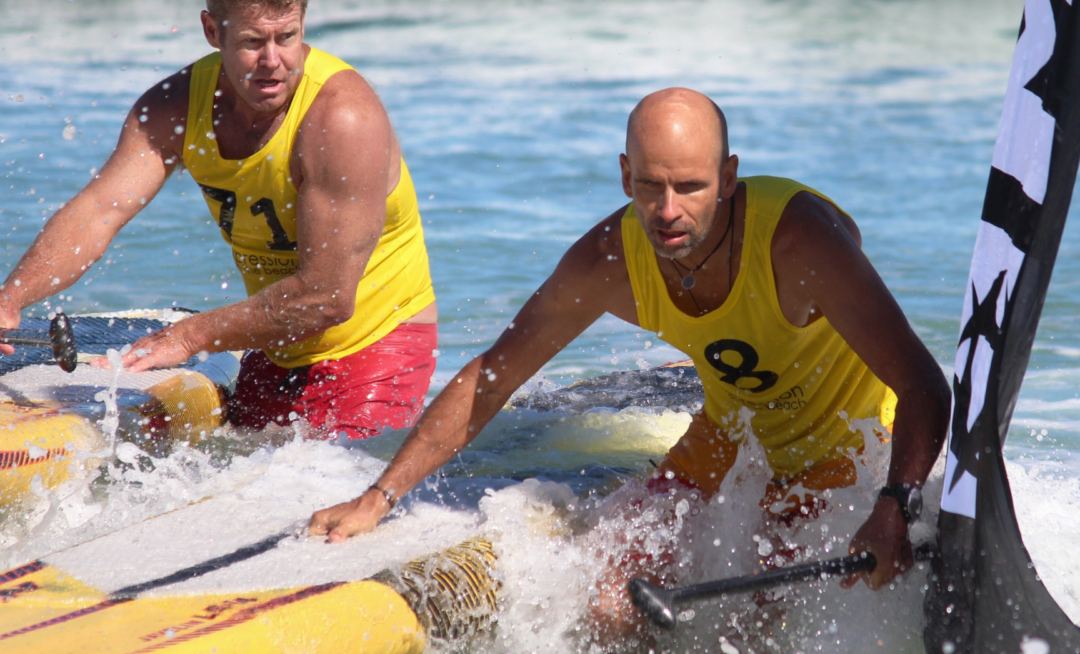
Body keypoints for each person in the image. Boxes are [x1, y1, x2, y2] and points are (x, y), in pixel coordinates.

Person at [310, 88, 950, 601]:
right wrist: (379, 496)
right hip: (732, 440)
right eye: (650, 186)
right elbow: (494, 376)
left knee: (757, 629)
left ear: (728, 178)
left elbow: (924, 384)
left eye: (691, 187)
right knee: (610, 587)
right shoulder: (610, 260)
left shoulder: (799, 243)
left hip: (853, 454)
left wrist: (895, 504)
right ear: (624, 176)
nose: (667, 211)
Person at [0, 0, 438, 440]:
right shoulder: (177, 103)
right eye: (251, 42)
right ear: (212, 31)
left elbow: (326, 299)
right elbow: (98, 213)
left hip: (378, 344)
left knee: (341, 493)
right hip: (275, 341)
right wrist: (11, 298)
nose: (273, 61)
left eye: (286, 37)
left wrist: (189, 338)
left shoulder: (341, 118)